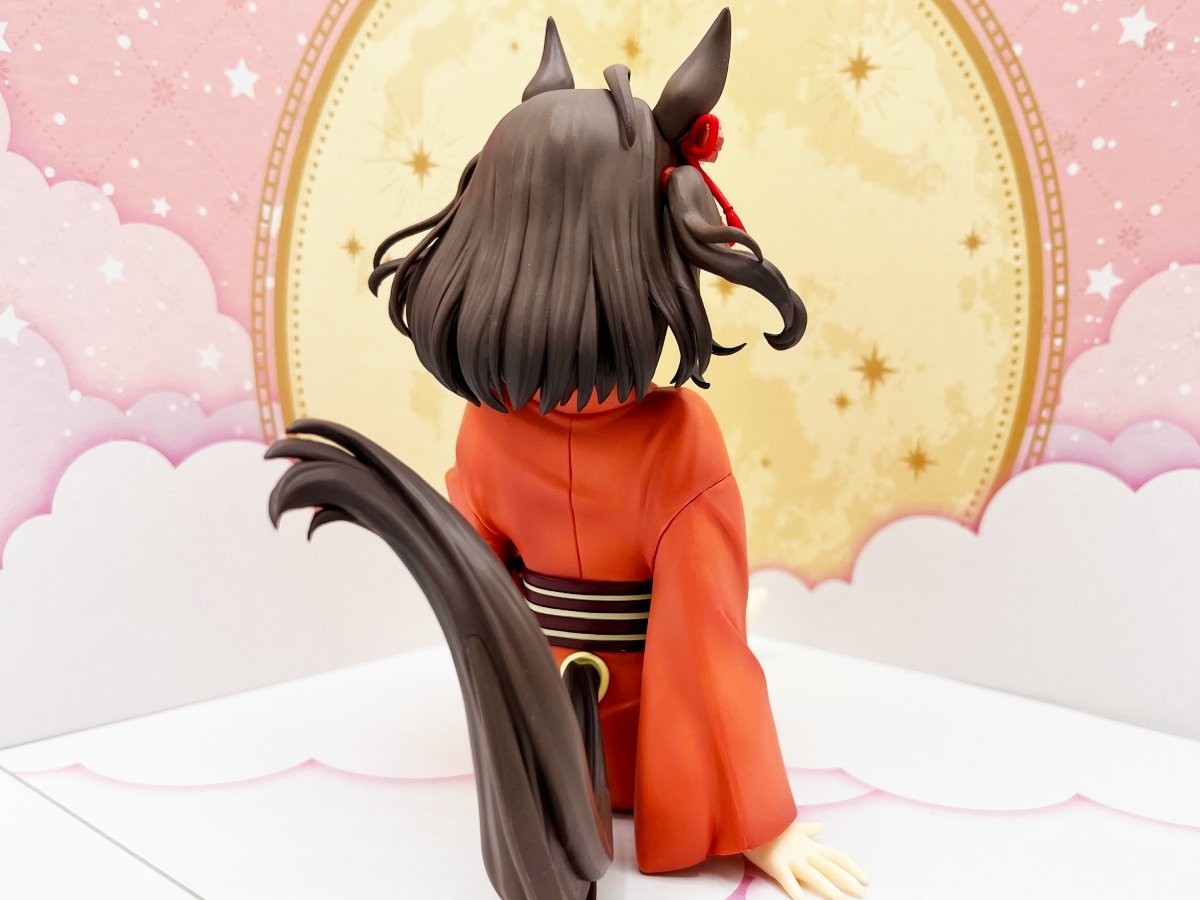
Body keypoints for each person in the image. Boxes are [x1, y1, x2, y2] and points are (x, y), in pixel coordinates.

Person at [270, 10, 867, 899]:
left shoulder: (487, 427)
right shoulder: (677, 437)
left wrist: (513, 735)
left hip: (541, 739)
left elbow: (482, 599)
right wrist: (754, 820)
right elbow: (704, 646)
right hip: (652, 747)